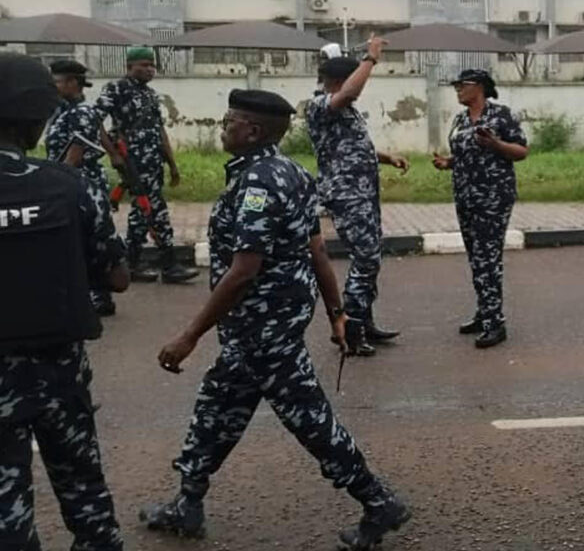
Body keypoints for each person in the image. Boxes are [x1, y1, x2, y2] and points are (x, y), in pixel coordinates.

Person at [140, 89, 409, 550]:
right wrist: (336, 313)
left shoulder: (259, 184)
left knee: (309, 419)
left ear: (253, 130)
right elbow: (316, 249)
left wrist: (188, 336)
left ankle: (377, 501)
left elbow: (243, 271)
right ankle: (188, 501)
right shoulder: (292, 172)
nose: (221, 128)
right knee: (218, 403)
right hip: (265, 325)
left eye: (229, 121)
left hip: (264, 328)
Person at [0, 53, 130, 550]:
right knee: (85, 496)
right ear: (37, 123)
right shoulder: (69, 185)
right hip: (60, 376)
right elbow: (117, 279)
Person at [305, 37, 409, 357]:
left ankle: (364, 321)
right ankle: (350, 329)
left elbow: (350, 148)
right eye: (353, 79)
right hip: (347, 196)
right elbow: (350, 91)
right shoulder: (320, 104)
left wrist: (385, 157)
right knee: (365, 259)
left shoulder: (346, 110)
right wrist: (371, 58)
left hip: (363, 194)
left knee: (370, 258)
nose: (358, 88)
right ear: (339, 80)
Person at [433, 69, 528, 349]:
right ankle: (484, 312)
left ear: (480, 88)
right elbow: (465, 154)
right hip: (466, 196)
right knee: (476, 257)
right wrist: (448, 163)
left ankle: (495, 323)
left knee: (488, 258)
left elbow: (522, 151)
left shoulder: (501, 115)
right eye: (456, 85)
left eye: (463, 85)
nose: (458, 89)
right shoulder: (461, 119)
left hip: (493, 197)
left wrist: (495, 143)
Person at [95, 45, 199, 284]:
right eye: (143, 65)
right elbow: (94, 121)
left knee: (149, 210)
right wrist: (113, 154)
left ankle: (142, 263)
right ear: (130, 67)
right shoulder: (116, 89)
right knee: (149, 210)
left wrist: (172, 164)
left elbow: (159, 130)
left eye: (152, 65)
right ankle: (161, 264)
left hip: (153, 162)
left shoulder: (150, 94)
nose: (150, 69)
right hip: (131, 160)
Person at [46, 59, 124, 316]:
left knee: (88, 239)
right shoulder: (65, 112)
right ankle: (91, 293)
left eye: (56, 82)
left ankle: (100, 296)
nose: (53, 87)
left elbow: (75, 155)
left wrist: (56, 186)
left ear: (72, 83)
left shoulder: (80, 113)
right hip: (70, 181)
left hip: (80, 185)